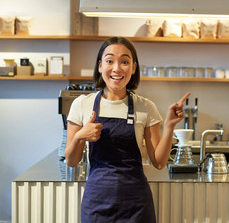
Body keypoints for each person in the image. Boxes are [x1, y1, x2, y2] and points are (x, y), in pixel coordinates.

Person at [64, 36, 190, 222]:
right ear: (100, 66)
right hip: (97, 202)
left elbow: (159, 162)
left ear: (133, 68)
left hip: (136, 204)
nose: (116, 68)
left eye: (124, 61)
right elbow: (71, 160)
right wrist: (80, 137)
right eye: (109, 61)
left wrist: (170, 125)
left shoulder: (146, 106)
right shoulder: (82, 104)